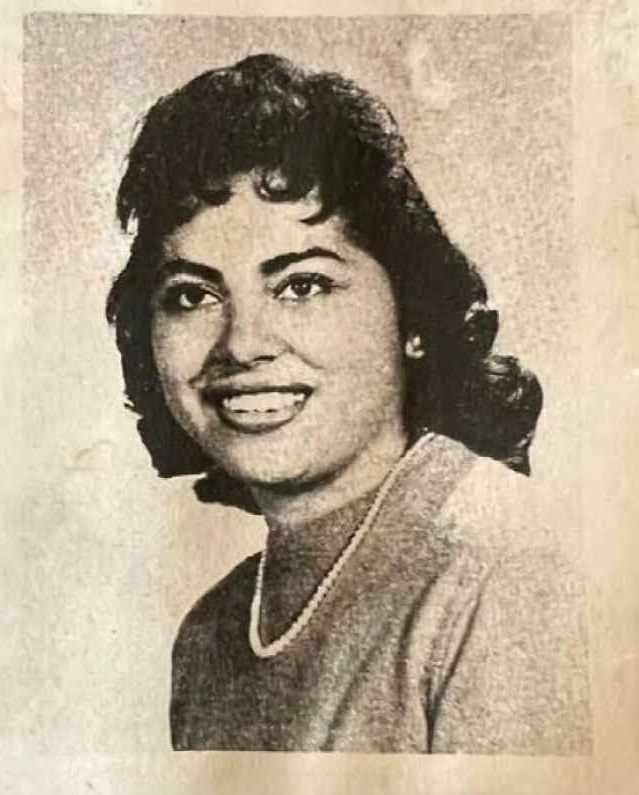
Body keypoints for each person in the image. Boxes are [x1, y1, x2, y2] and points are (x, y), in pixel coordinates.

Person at [106, 54, 591, 753]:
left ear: (413, 315)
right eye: (192, 295)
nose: (242, 345)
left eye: (301, 285)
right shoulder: (210, 636)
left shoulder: (506, 573)